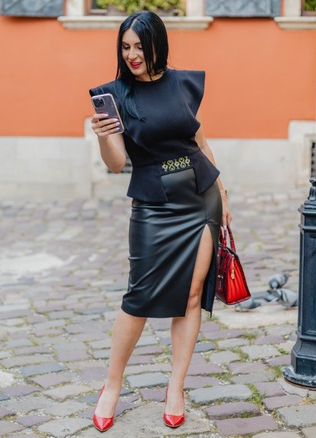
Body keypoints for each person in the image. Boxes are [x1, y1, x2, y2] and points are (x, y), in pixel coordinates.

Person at [88, 11, 231, 432]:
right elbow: (117, 164)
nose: (132, 55)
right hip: (152, 202)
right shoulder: (115, 95)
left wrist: (222, 190)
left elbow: (198, 138)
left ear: (157, 46)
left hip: (201, 196)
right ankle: (112, 385)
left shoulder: (183, 82)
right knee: (139, 296)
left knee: (190, 295)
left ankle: (175, 386)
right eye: (125, 47)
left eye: (139, 47)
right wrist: (102, 136)